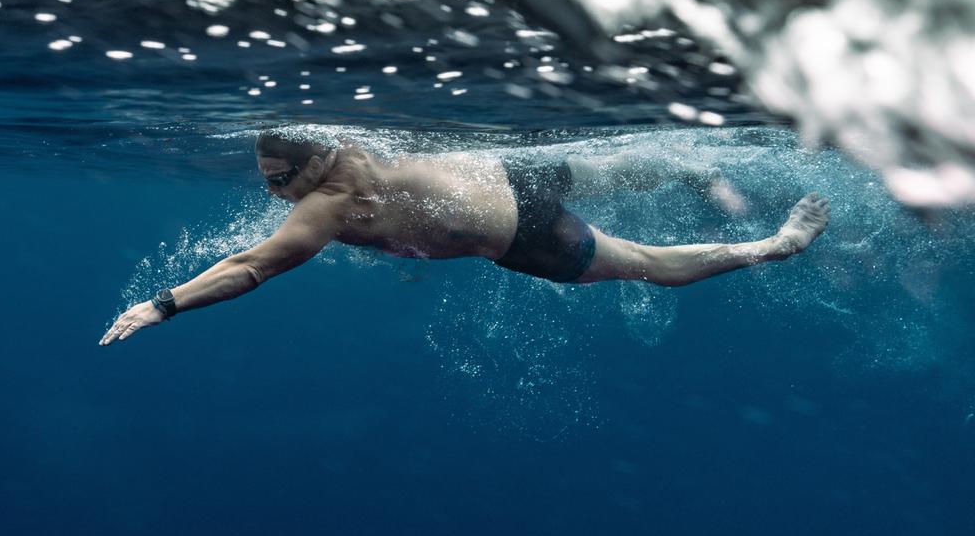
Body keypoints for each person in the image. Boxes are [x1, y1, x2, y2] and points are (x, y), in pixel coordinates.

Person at [100, 130, 830, 345]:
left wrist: (164, 304)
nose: (272, 194)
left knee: (644, 262)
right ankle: (701, 172)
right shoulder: (349, 143)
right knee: (612, 169)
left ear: (318, 161)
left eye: (278, 179)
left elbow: (251, 266)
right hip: (508, 175)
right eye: (266, 182)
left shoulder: (328, 204)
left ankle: (774, 244)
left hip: (523, 230)